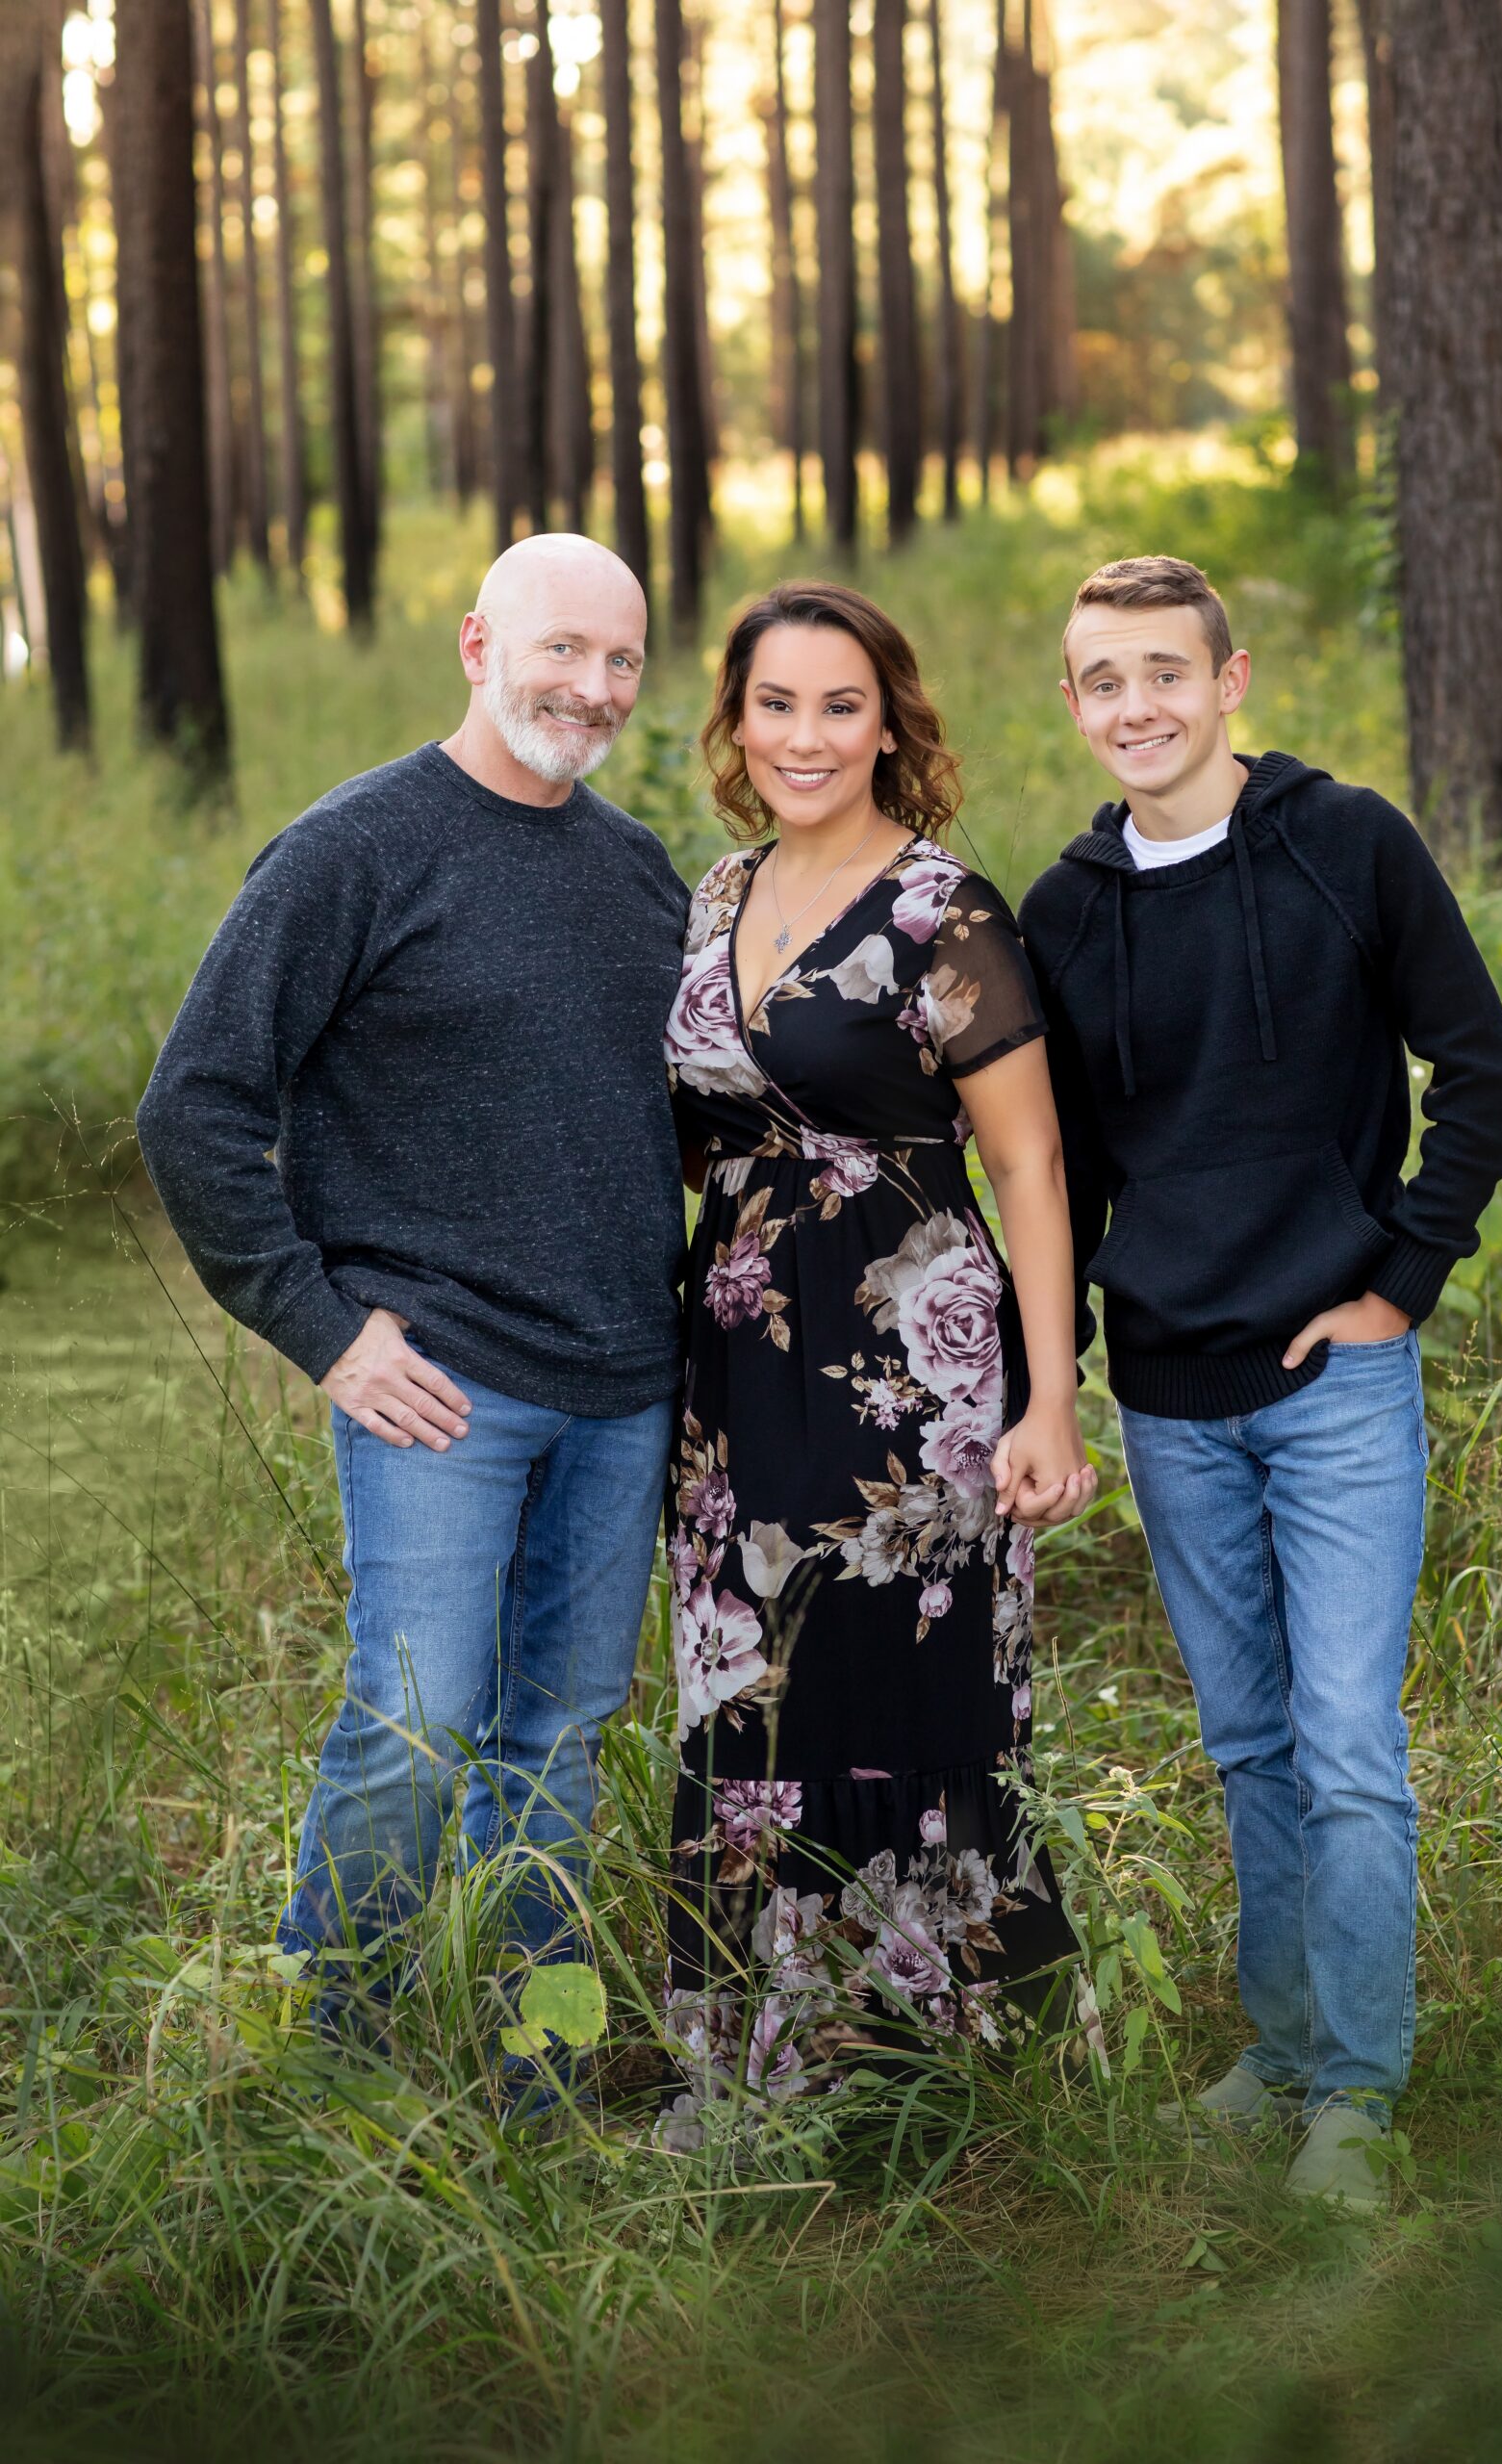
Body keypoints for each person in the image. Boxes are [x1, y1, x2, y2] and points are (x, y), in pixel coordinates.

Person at [137, 535, 688, 2088]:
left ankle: (538, 2066)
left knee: (560, 1742)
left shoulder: (637, 867)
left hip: (626, 1382)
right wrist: (325, 1328)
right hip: (438, 1381)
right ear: (474, 644)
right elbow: (195, 1108)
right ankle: (341, 2075)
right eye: (561, 649)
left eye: (622, 659)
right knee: (415, 1728)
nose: (591, 686)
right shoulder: (354, 851)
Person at [1019, 556, 1502, 2207]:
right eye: (1104, 681)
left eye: (1166, 672)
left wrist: (1399, 1282)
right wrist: (1073, 1373)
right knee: (1247, 1744)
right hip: (1174, 1392)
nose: (1138, 708)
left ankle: (1358, 2103)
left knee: (1344, 1744)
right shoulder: (1064, 913)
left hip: (1336, 1385)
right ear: (1077, 705)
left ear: (1231, 680)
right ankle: (1285, 2051)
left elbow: (1484, 1082)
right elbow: (1068, 1168)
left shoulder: (1347, 844)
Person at [657, 581, 1094, 2138]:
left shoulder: (942, 910)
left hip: (912, 1362)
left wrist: (1051, 1395)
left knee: (895, 1680)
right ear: (736, 719)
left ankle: (924, 2066)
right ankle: (758, 2062)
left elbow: (1030, 1166)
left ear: (891, 722)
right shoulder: (713, 895)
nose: (807, 736)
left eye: (842, 706)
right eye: (777, 704)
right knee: (743, 1684)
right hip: (733, 1368)